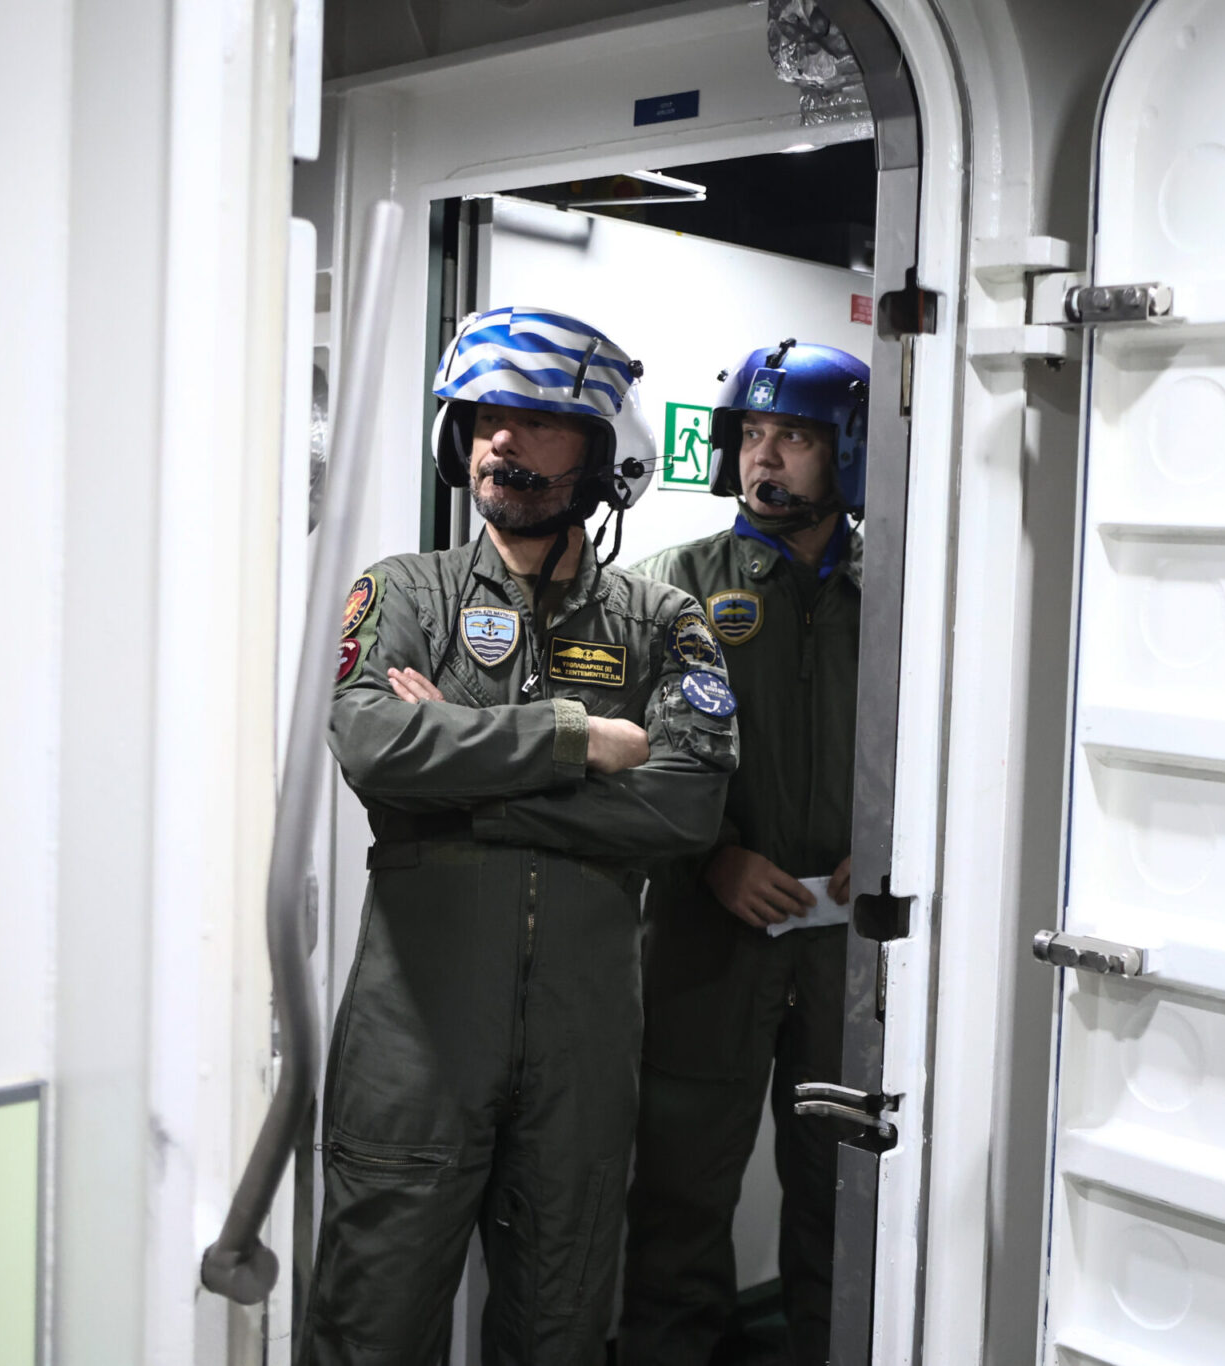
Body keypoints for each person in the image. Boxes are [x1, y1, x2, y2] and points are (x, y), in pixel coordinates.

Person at [301, 306, 740, 1365]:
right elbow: (372, 743)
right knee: (369, 1327)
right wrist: (575, 739)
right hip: (413, 1043)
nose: (504, 440)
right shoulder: (403, 593)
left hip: (582, 1052)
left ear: (602, 455)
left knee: (558, 1332)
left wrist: (464, 786)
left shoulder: (662, 620)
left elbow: (686, 805)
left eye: (539, 421)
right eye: (487, 418)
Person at [620, 339, 869, 1366]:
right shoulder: (667, 587)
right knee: (679, 1200)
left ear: (847, 450)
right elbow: (623, 758)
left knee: (844, 1198)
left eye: (794, 438)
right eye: (752, 435)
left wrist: (894, 850)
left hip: (852, 950)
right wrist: (711, 860)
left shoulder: (905, 593)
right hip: (707, 943)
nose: (764, 458)